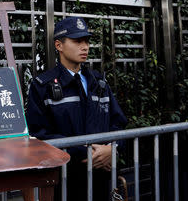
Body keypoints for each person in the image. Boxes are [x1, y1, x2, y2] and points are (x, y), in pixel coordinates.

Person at [26, 16, 127, 201]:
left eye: (87, 41)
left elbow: (118, 123)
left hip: (103, 180)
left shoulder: (100, 82)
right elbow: (39, 134)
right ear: (59, 45)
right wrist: (87, 151)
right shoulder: (43, 87)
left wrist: (112, 149)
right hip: (66, 181)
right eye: (77, 41)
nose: (85, 46)